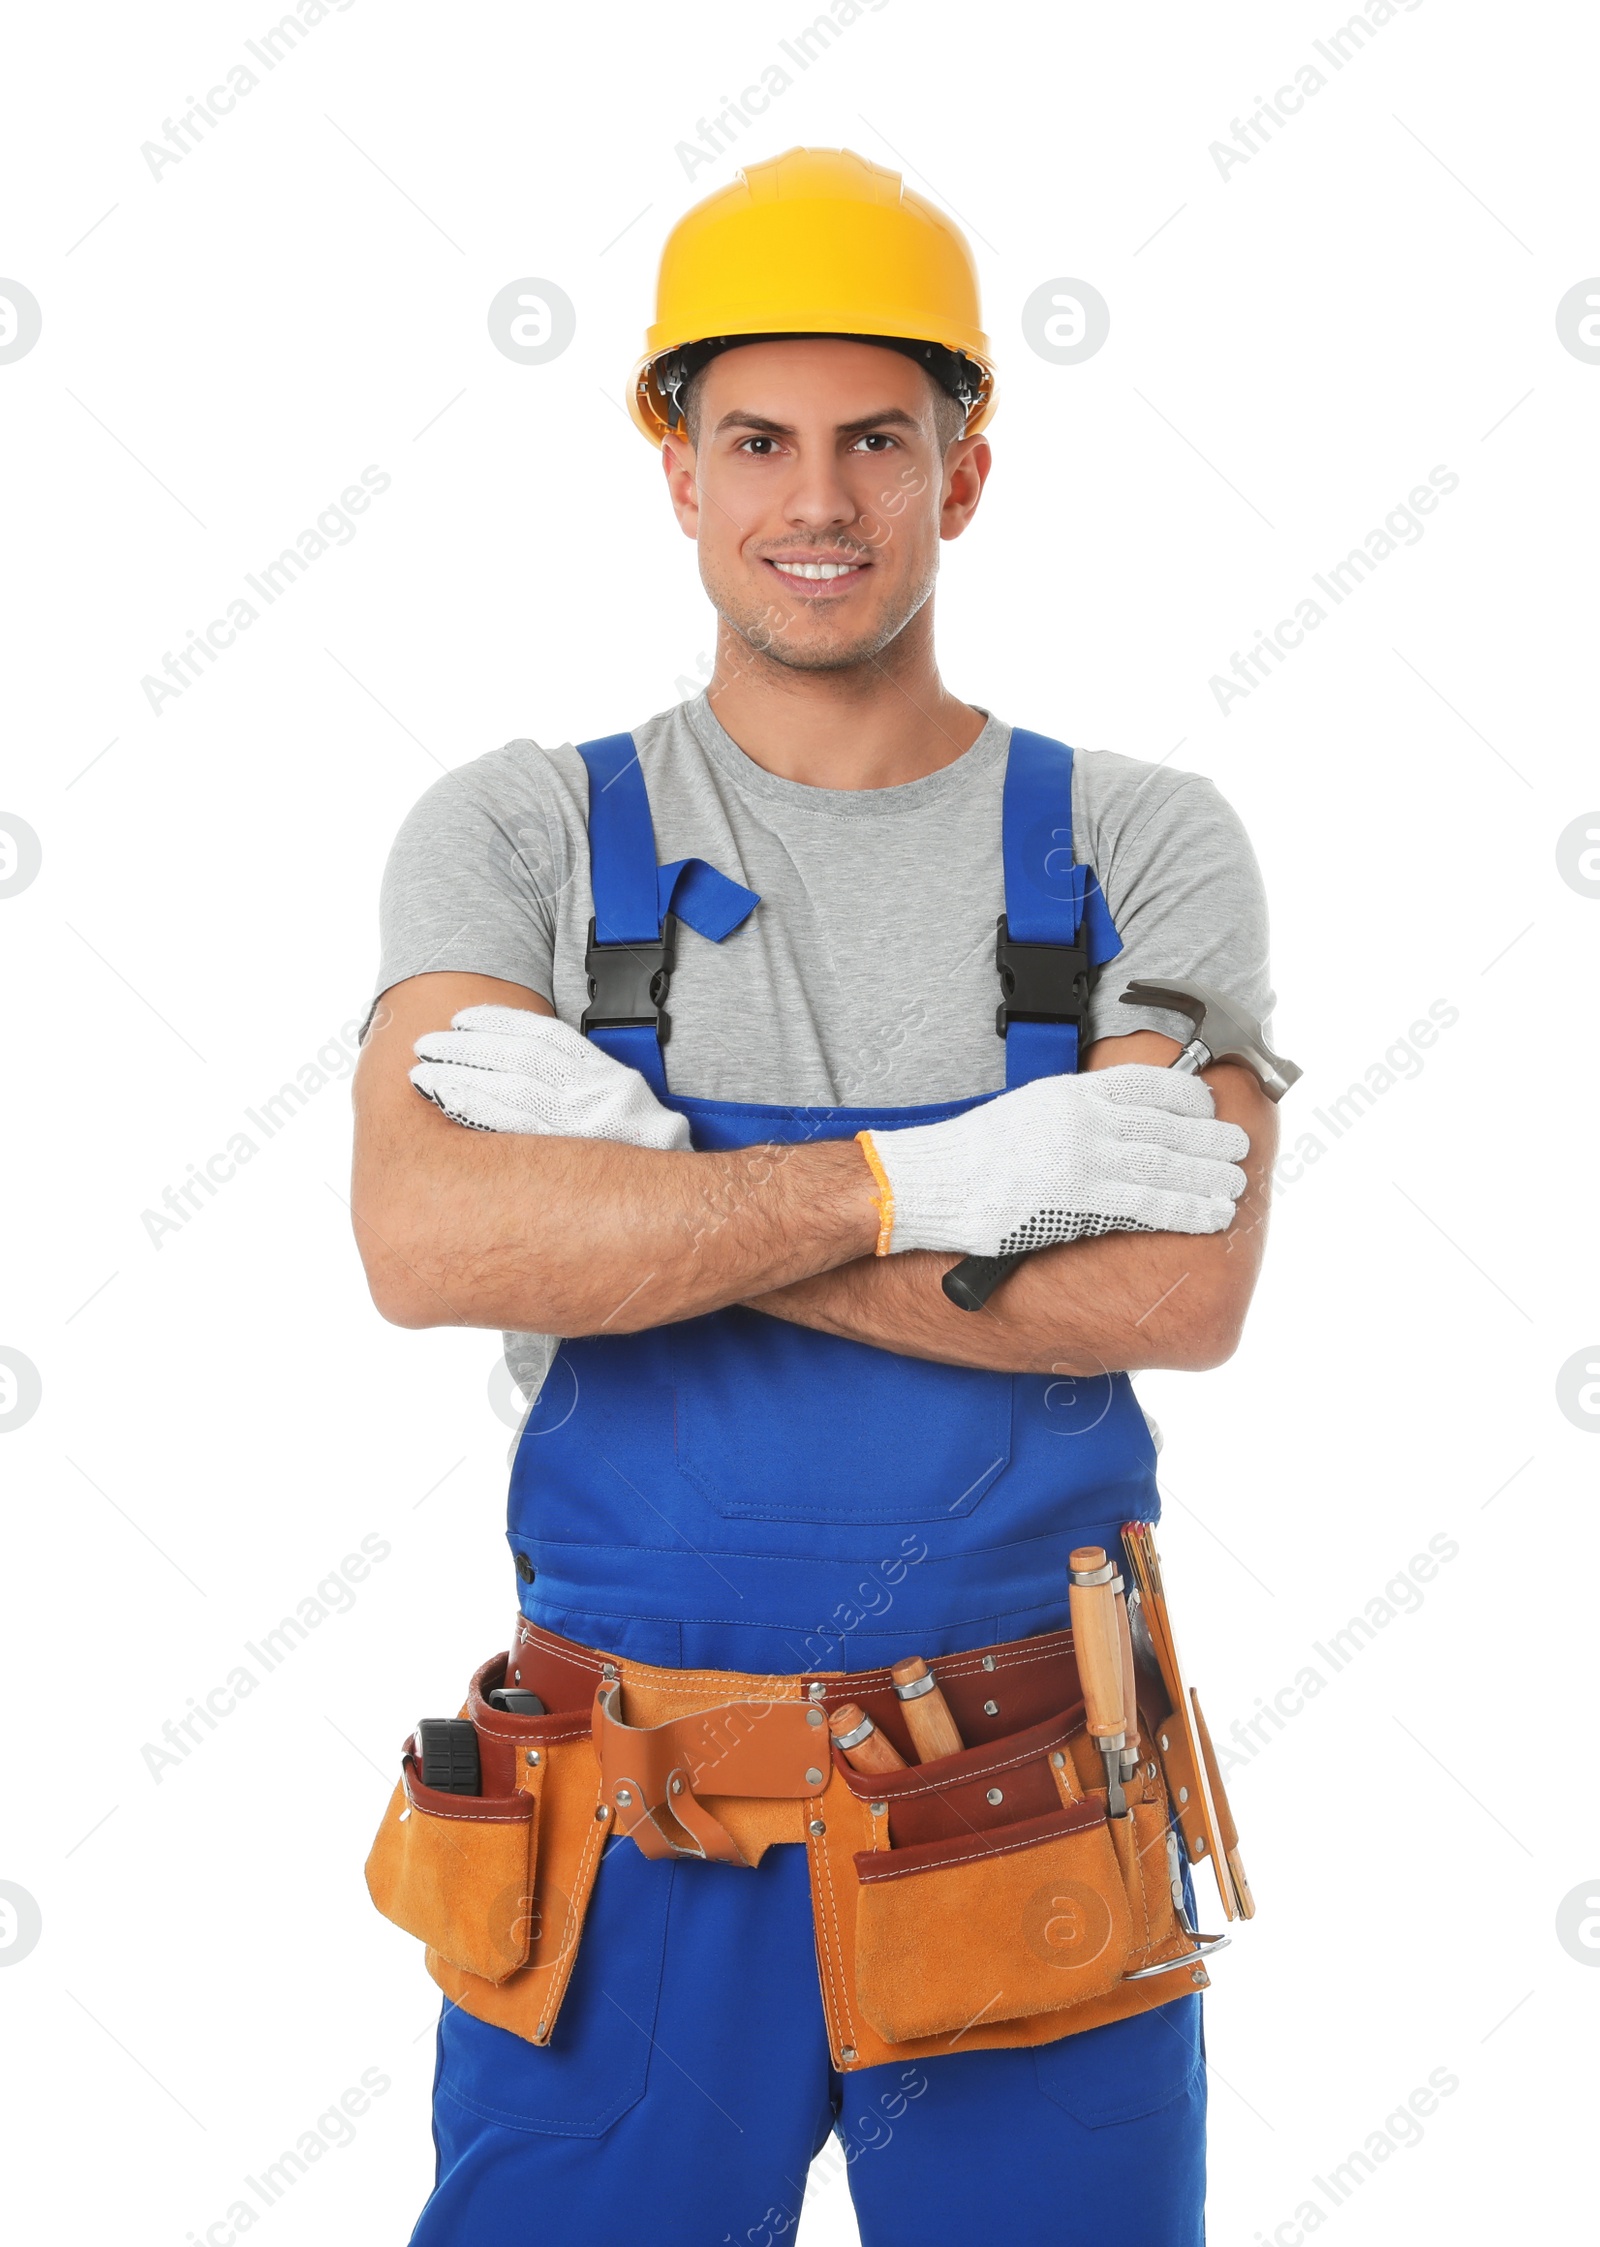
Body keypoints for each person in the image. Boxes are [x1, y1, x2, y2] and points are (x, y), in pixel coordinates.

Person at [352, 146, 1279, 2247]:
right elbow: (429, 1239)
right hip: (623, 1838)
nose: (817, 502)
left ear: (964, 471)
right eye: (755, 436)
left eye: (879, 438)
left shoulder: (1142, 839)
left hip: (1026, 1825)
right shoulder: (521, 835)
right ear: (670, 465)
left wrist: (651, 1174)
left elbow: (1173, 1286)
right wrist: (945, 1181)